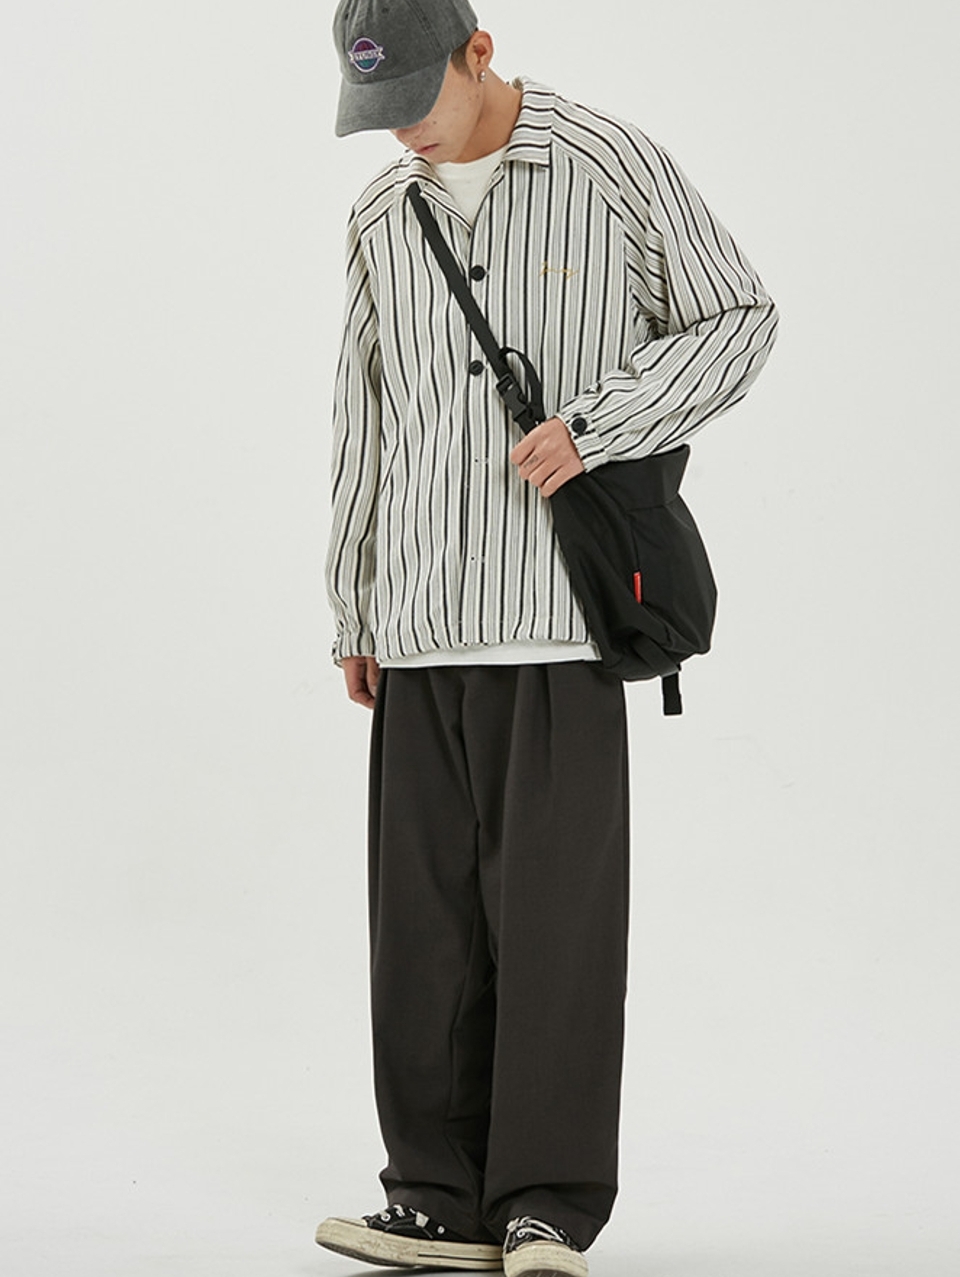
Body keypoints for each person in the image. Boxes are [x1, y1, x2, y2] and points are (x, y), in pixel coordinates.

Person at [316, 2, 778, 1274]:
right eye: (378, 111)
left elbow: (739, 318)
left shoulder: (606, 163)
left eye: (416, 98)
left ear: (479, 53)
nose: (402, 133)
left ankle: (545, 1205)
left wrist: (599, 425)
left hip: (557, 620)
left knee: (556, 925)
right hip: (418, 620)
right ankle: (434, 1194)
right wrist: (354, 600)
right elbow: (365, 414)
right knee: (424, 934)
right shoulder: (380, 216)